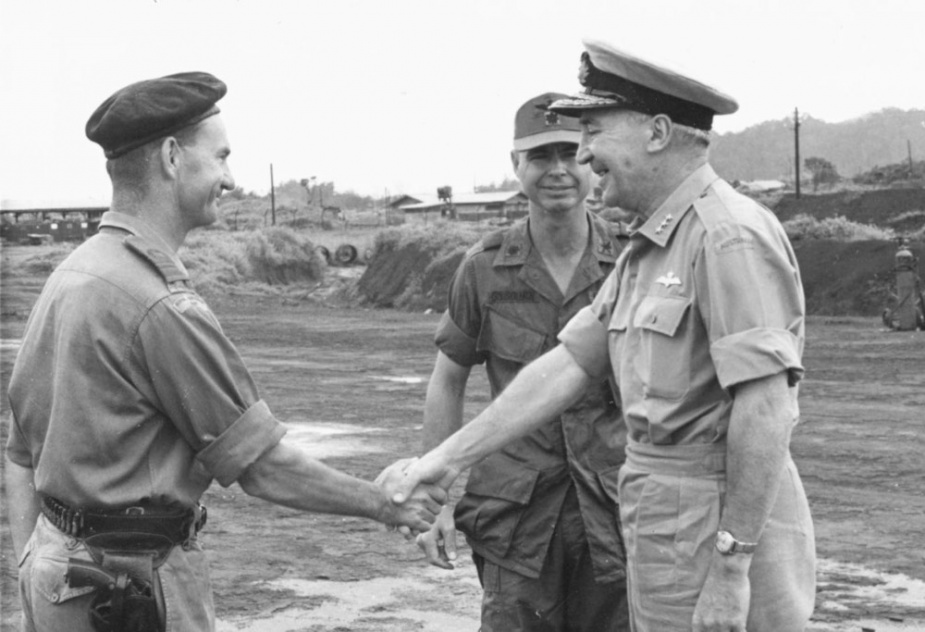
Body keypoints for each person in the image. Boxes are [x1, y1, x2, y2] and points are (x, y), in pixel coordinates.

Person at [392, 39, 816, 632]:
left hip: (710, 522)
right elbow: (568, 366)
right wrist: (443, 460)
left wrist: (731, 565)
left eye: (593, 131)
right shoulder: (649, 248)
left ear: (658, 132)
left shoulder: (727, 237)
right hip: (659, 521)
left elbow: (768, 407)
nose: (585, 155)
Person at [4, 71, 445, 632]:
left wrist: (28, 564)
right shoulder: (158, 304)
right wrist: (386, 504)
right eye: (220, 158)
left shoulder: (74, 273)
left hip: (62, 577)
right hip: (131, 592)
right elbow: (264, 469)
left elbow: (19, 453)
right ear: (170, 157)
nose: (231, 179)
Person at [416, 92, 628, 631]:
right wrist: (435, 501)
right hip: (518, 520)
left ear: (591, 159)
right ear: (516, 166)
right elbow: (448, 381)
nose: (556, 170)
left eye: (568, 153)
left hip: (619, 510)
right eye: (539, 157)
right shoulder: (484, 268)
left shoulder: (634, 257)